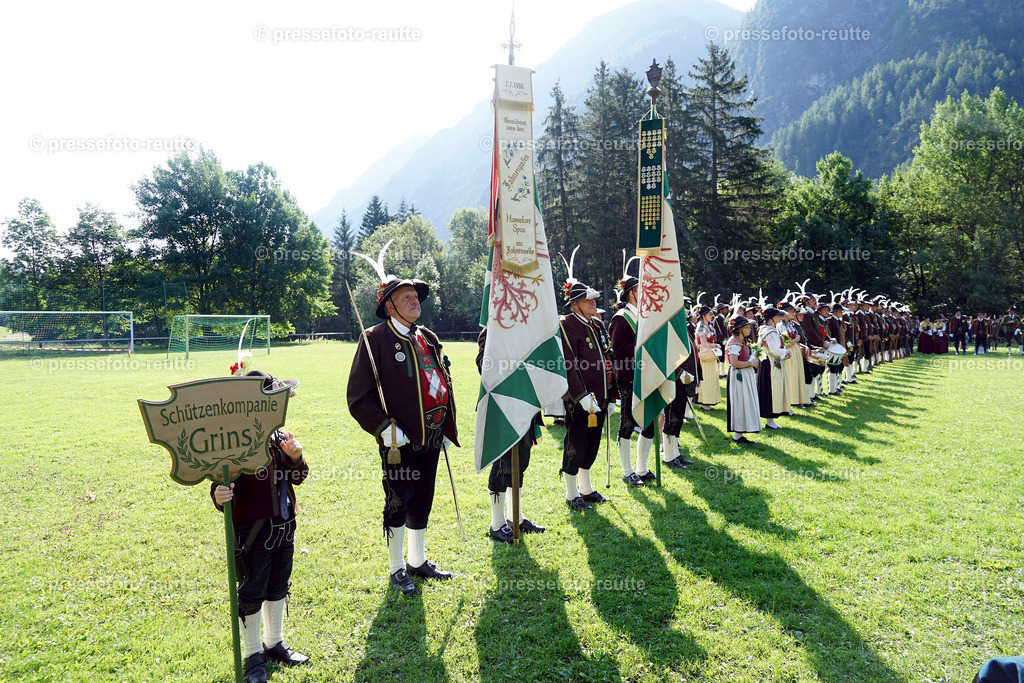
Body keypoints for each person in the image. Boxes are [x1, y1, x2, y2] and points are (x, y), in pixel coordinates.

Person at [347, 243, 459, 596]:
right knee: (399, 499)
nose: (415, 300)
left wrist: (445, 421)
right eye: (406, 296)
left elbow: (442, 378)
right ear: (389, 305)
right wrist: (385, 429)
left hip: (432, 435)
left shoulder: (428, 337)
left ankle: (417, 560)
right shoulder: (374, 340)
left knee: (423, 498)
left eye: (416, 295)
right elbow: (357, 397)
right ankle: (396, 568)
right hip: (399, 441)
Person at [211, 369, 309, 683]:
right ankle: (253, 655)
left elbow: (299, 477)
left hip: (285, 527)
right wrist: (219, 494)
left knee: (279, 586)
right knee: (252, 592)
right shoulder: (232, 441)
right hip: (251, 532)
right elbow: (217, 483)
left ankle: (274, 643)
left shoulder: (281, 437)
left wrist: (295, 458)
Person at [476, 328, 545, 543]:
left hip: (525, 405)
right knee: (501, 465)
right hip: (501, 408)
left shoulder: (527, 327)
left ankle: (516, 517)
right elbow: (483, 365)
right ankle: (497, 523)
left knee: (520, 464)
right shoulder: (492, 330)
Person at [558, 250, 611, 510]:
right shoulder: (567, 324)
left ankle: (586, 488)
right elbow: (568, 364)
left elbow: (607, 358)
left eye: (592, 300)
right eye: (588, 300)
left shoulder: (597, 324)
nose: (593, 303)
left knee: (593, 442)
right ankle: (571, 494)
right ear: (575, 303)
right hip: (581, 398)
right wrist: (582, 396)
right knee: (576, 441)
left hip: (600, 395)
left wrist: (610, 394)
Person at [608, 264, 660, 486]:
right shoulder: (621, 317)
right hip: (629, 376)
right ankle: (627, 470)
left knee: (650, 422)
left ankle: (641, 467)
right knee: (627, 423)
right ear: (631, 292)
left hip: (648, 375)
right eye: (641, 289)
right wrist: (642, 347)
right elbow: (617, 350)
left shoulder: (644, 315)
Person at [725, 316, 761, 443]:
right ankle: (737, 434)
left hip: (745, 375)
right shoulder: (734, 342)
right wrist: (750, 363)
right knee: (740, 402)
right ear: (739, 329)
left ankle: (740, 433)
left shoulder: (741, 341)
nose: (749, 330)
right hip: (739, 376)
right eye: (746, 327)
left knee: (744, 401)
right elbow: (734, 363)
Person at [757, 307, 790, 429]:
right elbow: (775, 350)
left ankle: (770, 420)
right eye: (777, 316)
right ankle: (770, 420)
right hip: (770, 364)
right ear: (771, 318)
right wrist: (786, 352)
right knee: (770, 390)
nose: (779, 318)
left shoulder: (764, 330)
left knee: (769, 389)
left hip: (766, 362)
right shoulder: (770, 332)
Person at [694, 305, 722, 410]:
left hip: (710, 353)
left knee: (711, 377)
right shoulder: (702, 326)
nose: (711, 316)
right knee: (706, 378)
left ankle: (709, 401)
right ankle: (704, 401)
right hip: (705, 354)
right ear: (704, 315)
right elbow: (704, 344)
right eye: (710, 314)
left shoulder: (707, 325)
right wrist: (716, 345)